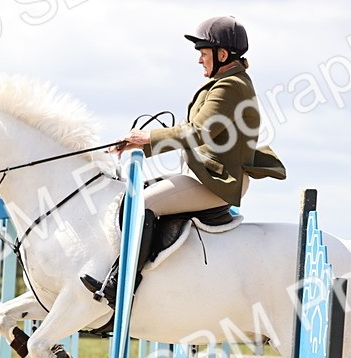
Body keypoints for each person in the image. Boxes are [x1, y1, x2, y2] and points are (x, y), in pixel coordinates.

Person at [82, 15, 286, 307]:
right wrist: (138, 146)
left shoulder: (230, 87)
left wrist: (148, 138)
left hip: (218, 183)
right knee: (136, 194)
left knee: (142, 204)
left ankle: (122, 284)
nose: (200, 61)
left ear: (222, 55)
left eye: (204, 54)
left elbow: (199, 131)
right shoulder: (226, 82)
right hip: (207, 177)